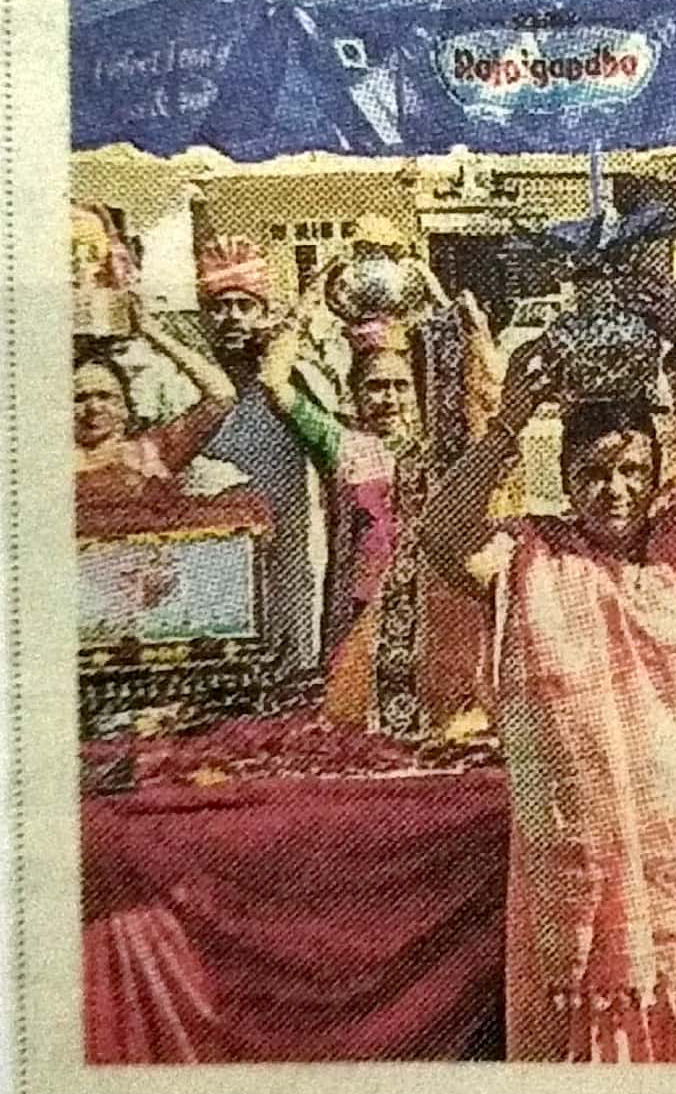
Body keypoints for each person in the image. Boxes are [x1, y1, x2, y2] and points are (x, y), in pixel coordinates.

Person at [422, 270, 676, 1065]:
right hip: (583, 872)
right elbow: (444, 534)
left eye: (631, 469)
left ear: (657, 470)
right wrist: (510, 421)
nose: (614, 490)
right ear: (566, 477)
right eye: (593, 473)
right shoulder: (533, 556)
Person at [259, 292, 487, 739]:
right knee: (358, 731)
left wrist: (470, 329)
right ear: (355, 393)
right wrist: (304, 308)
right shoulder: (340, 443)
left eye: (401, 386)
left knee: (436, 731)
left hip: (432, 610)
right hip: (359, 606)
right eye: (376, 386)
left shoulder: (443, 451)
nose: (389, 398)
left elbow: (490, 404)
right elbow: (273, 382)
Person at [194, 237, 325, 681]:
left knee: (289, 659)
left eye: (243, 306)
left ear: (262, 312)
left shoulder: (295, 377)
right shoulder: (191, 380)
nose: (231, 317)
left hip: (287, 540)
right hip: (215, 548)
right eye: (220, 306)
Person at [75, 301, 242, 538]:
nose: (94, 407)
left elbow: (222, 396)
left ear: (124, 408)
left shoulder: (151, 450)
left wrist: (151, 332)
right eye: (80, 398)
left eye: (105, 396)